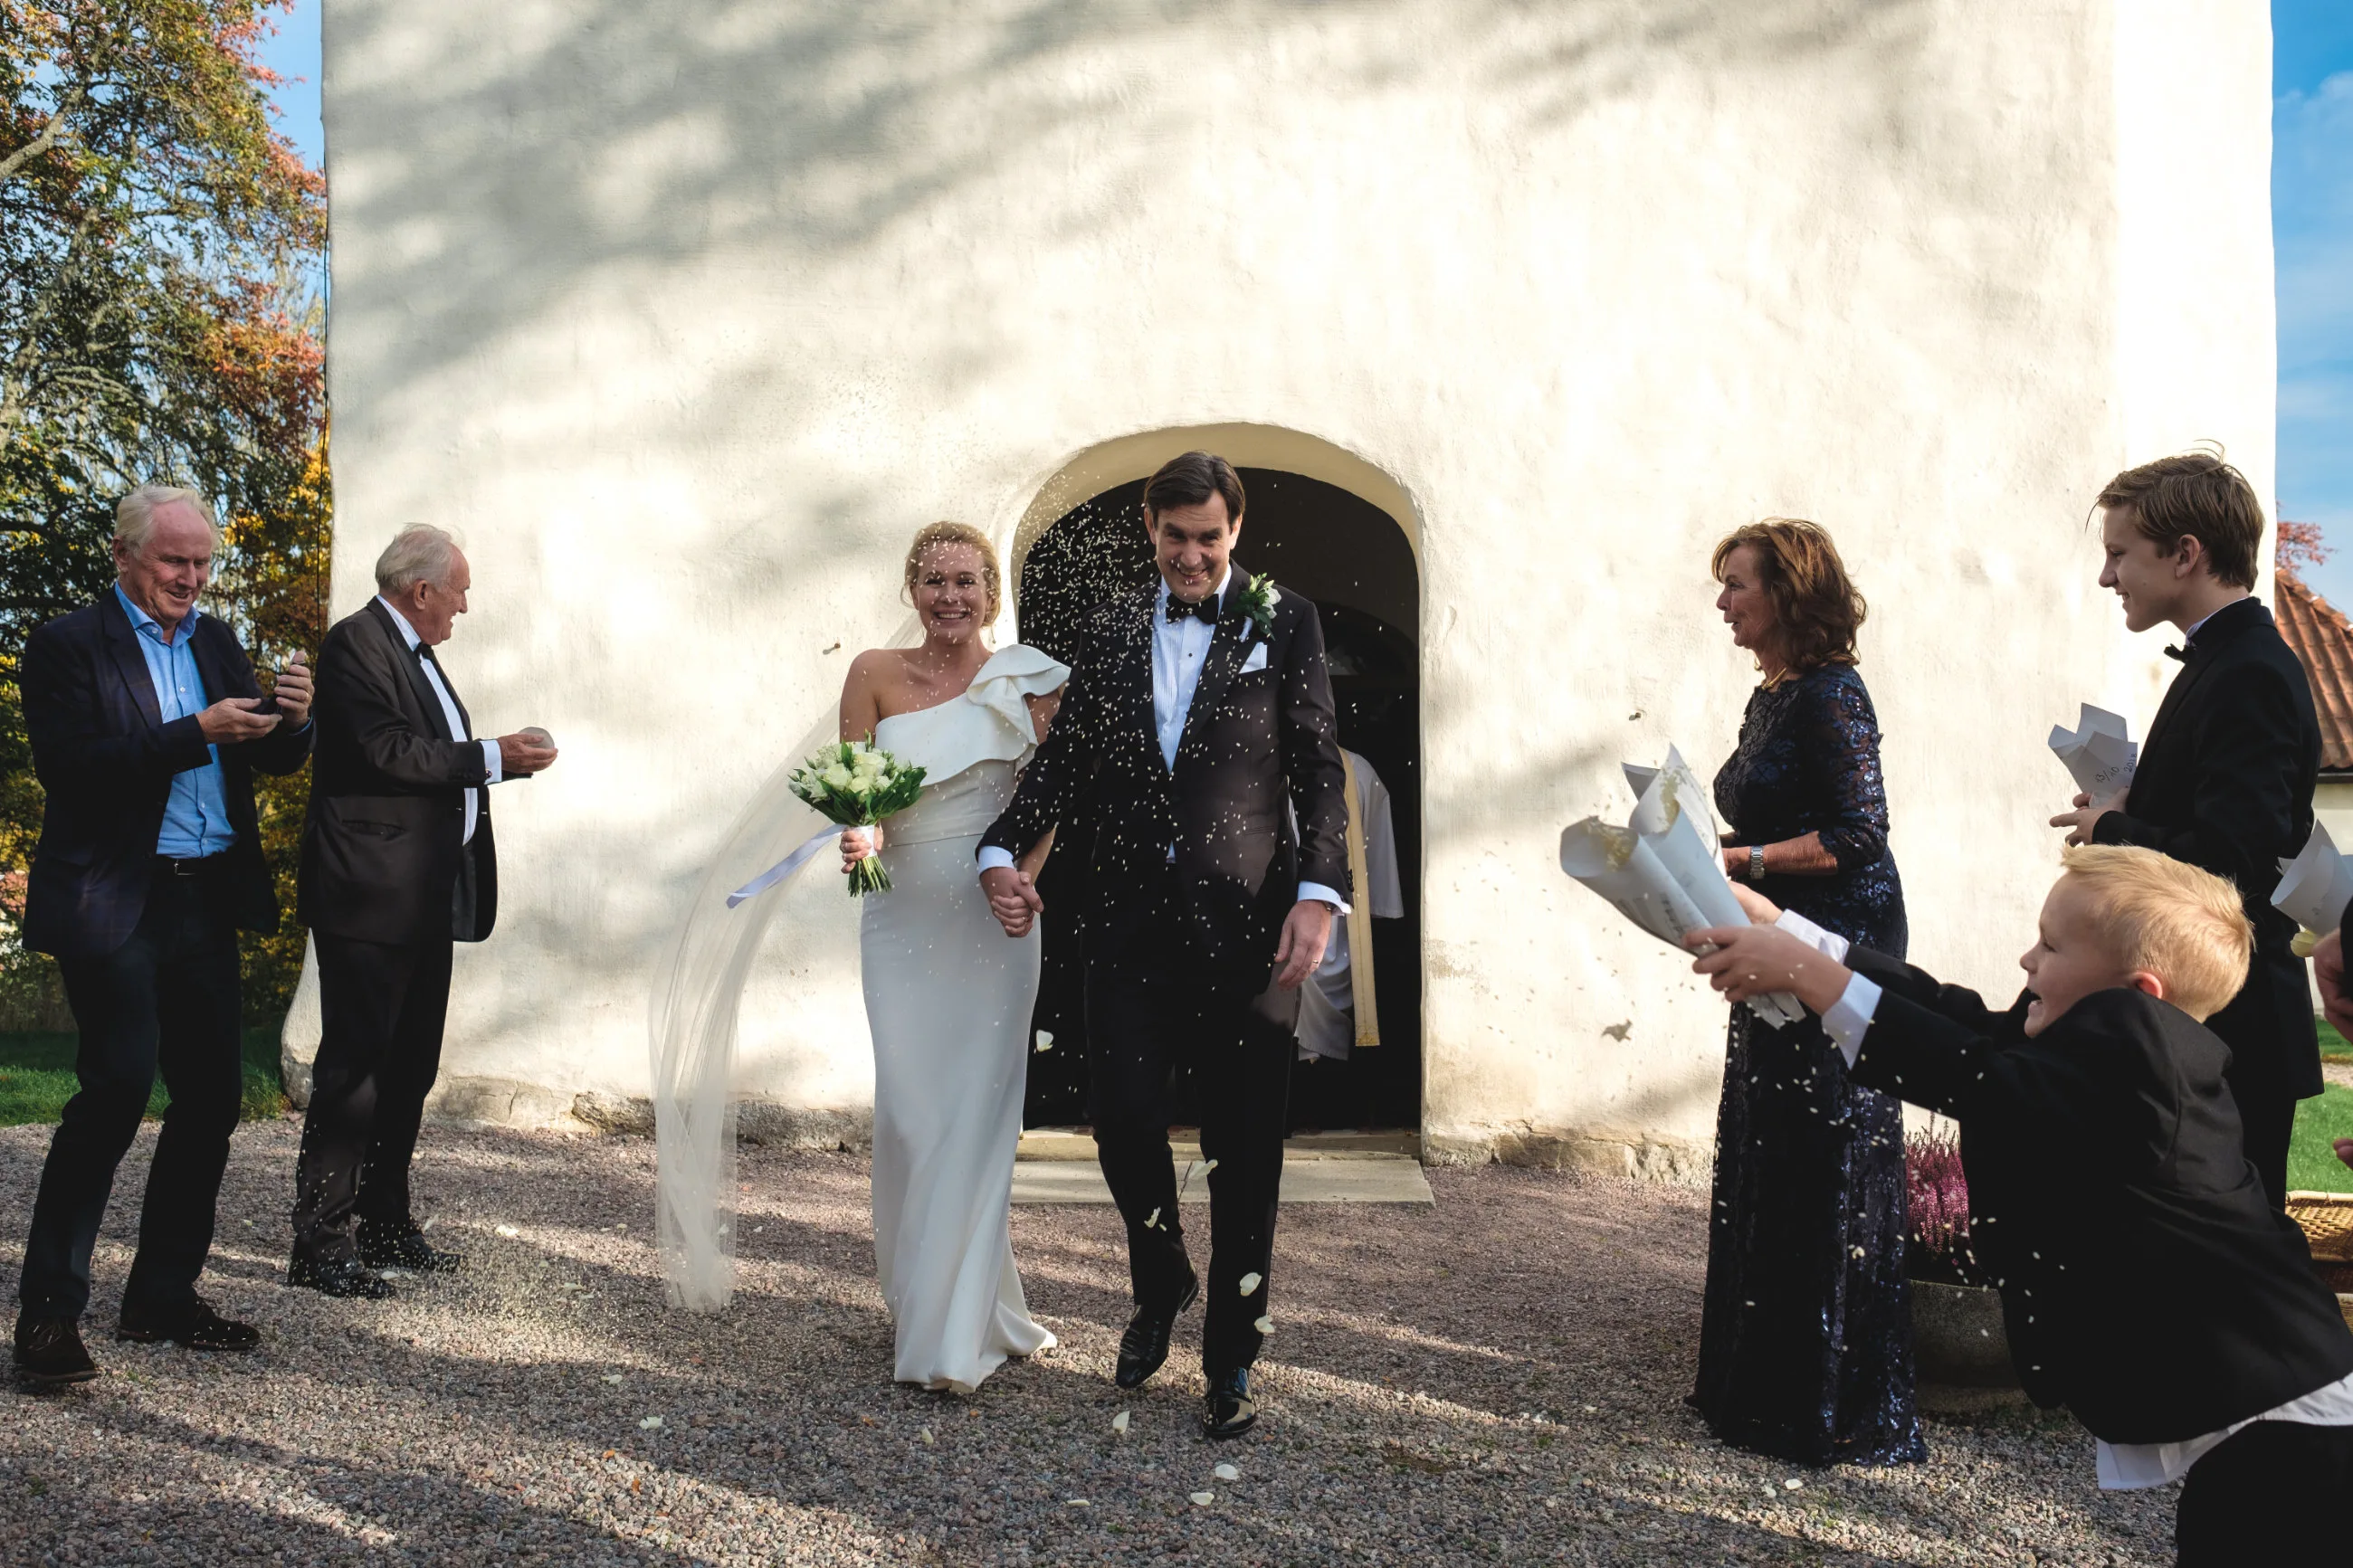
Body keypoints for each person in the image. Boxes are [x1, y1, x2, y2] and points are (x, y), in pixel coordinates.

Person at [1689, 847, 2353, 1564]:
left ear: (2139, 992)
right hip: (2272, 1413)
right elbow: (1959, 1018)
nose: (2026, 958)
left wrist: (1809, 977)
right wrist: (1793, 932)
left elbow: (1969, 1070)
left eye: (2053, 945)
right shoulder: (2111, 1050)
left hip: (2289, 1426)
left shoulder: (2145, 1057)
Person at [976, 451, 1350, 1440]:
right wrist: (996, 847)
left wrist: (1318, 894)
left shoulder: (1288, 620)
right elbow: (1063, 761)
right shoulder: (1104, 629)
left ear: (1235, 533)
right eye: (1174, 536)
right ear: (1150, 527)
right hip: (1127, 924)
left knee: (1244, 1149)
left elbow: (1316, 768)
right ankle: (1161, 1272)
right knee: (1122, 1120)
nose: (1190, 554)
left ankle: (1232, 1347)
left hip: (1250, 933)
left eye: (1208, 537)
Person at [11, 485, 314, 1387]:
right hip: (114, 900)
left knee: (213, 1097)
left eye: (201, 561)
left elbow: (265, 752)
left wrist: (292, 718)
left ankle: (160, 1295)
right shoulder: (67, 644)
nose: (191, 576)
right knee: (112, 1093)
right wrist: (194, 732)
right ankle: (48, 1315)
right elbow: (74, 769)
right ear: (125, 556)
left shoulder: (216, 639)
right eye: (174, 560)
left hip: (202, 898)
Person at [1693, 518, 1922, 1467]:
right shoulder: (1771, 695)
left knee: (1822, 1143)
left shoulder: (1832, 693)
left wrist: (1739, 856)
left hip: (1839, 937)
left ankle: (1829, 1399)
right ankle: (1757, 1382)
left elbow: (1858, 832)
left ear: (1785, 593)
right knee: (1766, 1138)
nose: (1721, 602)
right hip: (1773, 929)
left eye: (1736, 584)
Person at [287, 525, 557, 1298]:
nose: (464, 607)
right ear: (423, 590)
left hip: (423, 896)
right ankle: (321, 1241)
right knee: (354, 1071)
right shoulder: (354, 645)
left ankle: (384, 1222)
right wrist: (495, 756)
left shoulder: (418, 652)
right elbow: (387, 752)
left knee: (410, 1068)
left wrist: (493, 758)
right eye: (460, 591)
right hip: (368, 894)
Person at [2048, 452, 2321, 1210]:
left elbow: (2234, 865)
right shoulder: (2225, 660)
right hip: (2207, 1025)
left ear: (2185, 553)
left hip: (2233, 1031)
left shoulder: (2251, 672)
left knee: (2224, 1272)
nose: (2108, 578)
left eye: (2118, 554)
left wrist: (2116, 827)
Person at [833, 521, 1068, 1391]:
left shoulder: (1026, 678)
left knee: (973, 1118)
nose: (950, 598)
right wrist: (856, 833)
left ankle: (950, 1329)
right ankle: (926, 1291)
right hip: (899, 917)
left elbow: (1050, 797)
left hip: (991, 919)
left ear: (992, 593)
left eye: (967, 581)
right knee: (908, 1113)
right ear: (912, 588)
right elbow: (856, 794)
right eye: (934, 581)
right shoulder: (872, 674)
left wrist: (1025, 877)